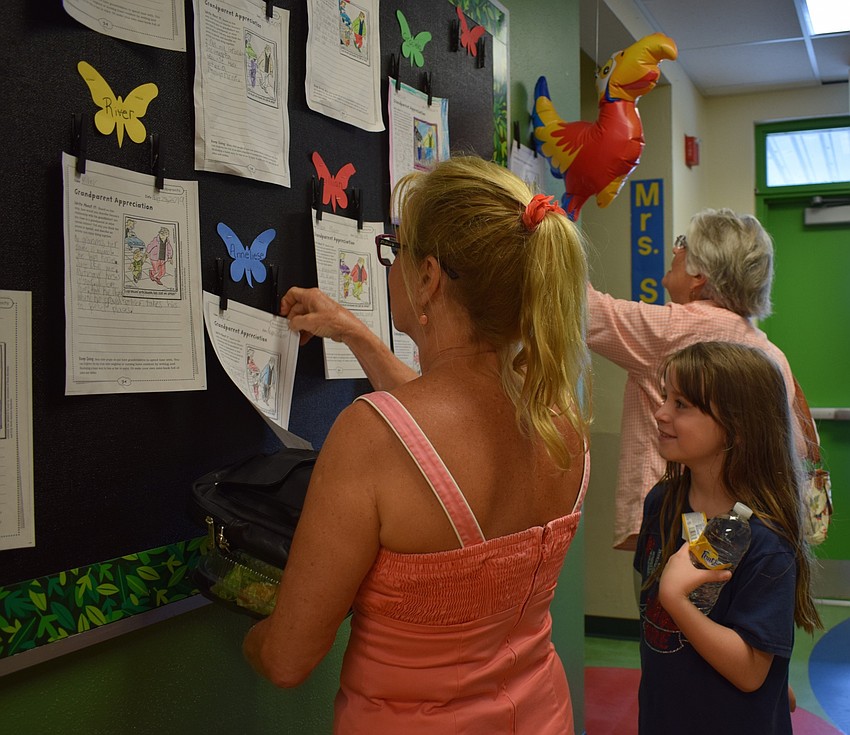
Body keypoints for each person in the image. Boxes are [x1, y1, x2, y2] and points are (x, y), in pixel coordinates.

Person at [242, 155, 592, 733]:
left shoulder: (370, 438)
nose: (390, 263)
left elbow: (286, 662)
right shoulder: (561, 419)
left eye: (395, 248)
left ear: (428, 276)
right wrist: (356, 333)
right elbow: (445, 439)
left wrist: (254, 637)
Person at [587, 208, 804, 551]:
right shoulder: (772, 354)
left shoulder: (672, 331)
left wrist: (556, 230)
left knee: (665, 602)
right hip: (748, 525)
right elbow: (799, 447)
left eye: (683, 244)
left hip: (673, 522)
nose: (675, 251)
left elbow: (578, 308)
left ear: (700, 272)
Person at [633, 341, 821, 734]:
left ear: (735, 427)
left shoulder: (767, 543)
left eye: (681, 404)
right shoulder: (662, 503)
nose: (661, 412)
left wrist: (676, 600)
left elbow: (752, 673)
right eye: (665, 396)